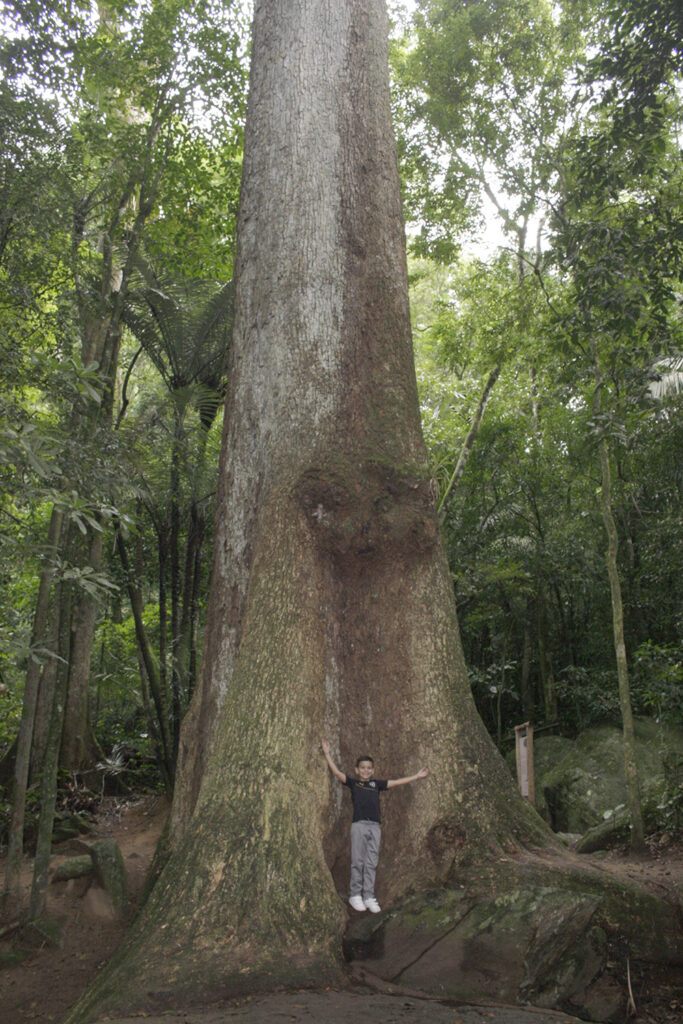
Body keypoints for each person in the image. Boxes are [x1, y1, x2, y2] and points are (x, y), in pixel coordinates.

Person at [321, 738, 429, 913]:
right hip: (358, 825)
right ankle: (355, 894)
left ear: (373, 770)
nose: (365, 771)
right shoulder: (354, 783)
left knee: (371, 861)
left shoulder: (376, 784)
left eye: (369, 768)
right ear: (357, 770)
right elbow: (337, 773)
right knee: (358, 860)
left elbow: (394, 782)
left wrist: (416, 776)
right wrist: (327, 754)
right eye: (362, 768)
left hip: (375, 827)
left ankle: (369, 896)